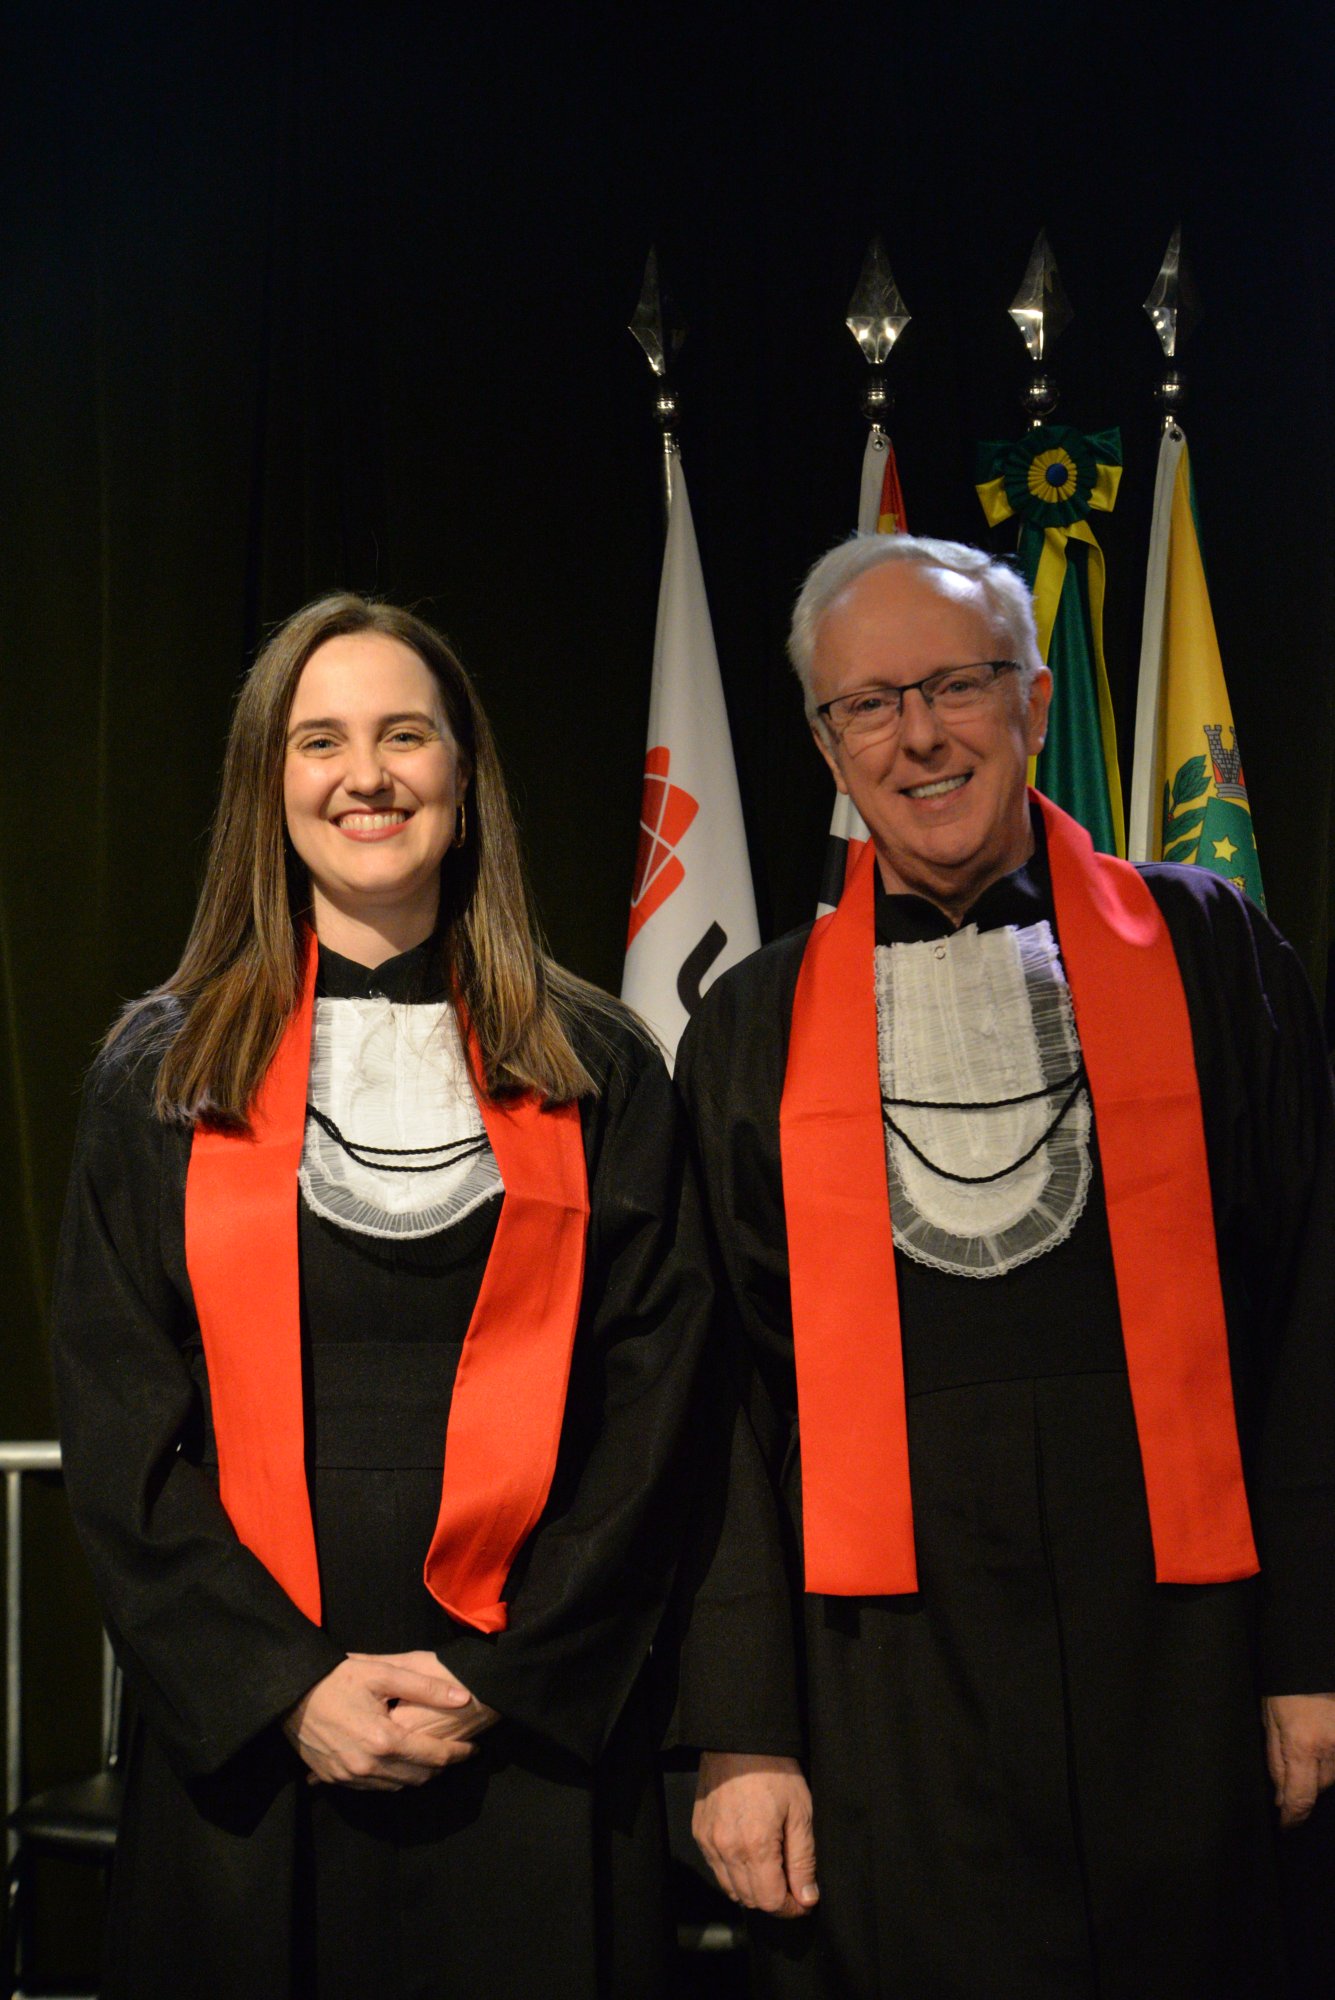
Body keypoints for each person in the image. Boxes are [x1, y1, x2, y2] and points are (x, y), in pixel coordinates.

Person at [674, 534, 1335, 1998]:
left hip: (1188, 1659)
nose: (918, 736)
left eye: (957, 685)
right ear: (826, 746)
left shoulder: (1211, 949)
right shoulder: (750, 1025)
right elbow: (720, 1400)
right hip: (883, 1680)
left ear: (1032, 700)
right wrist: (744, 1729)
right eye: (869, 704)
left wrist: (1314, 1647)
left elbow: (1311, 1319)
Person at [52, 594, 710, 2000]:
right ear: (267, 784)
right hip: (255, 1736)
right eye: (321, 741)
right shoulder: (162, 1075)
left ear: (464, 779)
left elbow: (656, 1412)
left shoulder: (597, 1063)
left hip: (527, 1726)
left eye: (405, 736)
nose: (367, 776)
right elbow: (119, 1430)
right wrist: (284, 1686)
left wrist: (507, 1675)